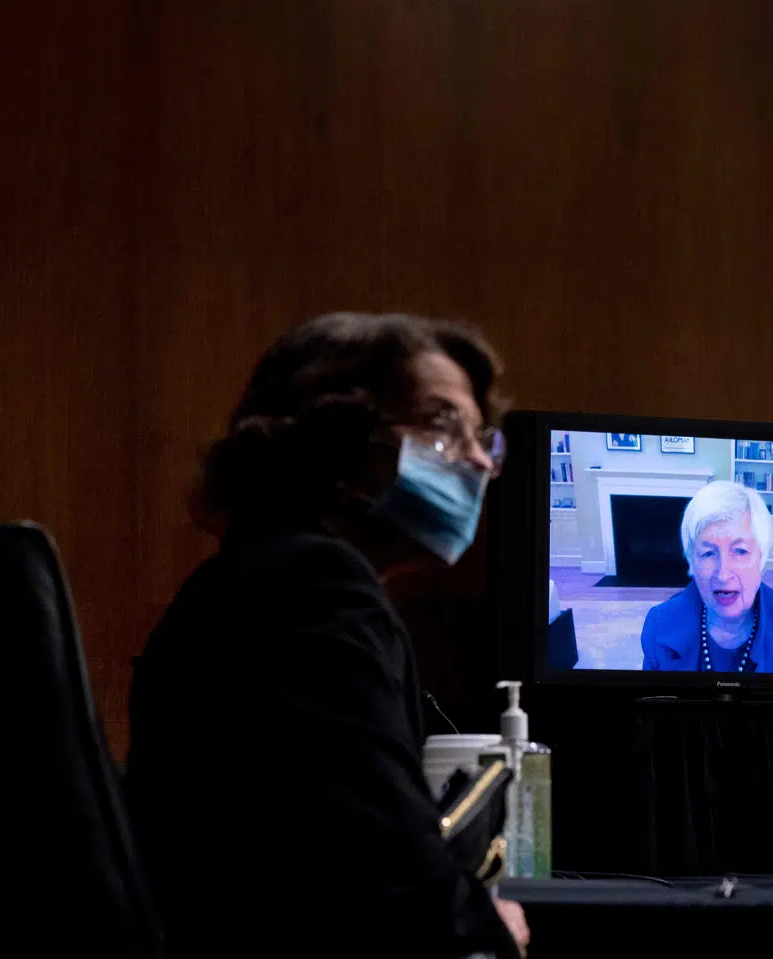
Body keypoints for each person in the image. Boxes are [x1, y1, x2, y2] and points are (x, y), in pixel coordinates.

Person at [124, 313, 529, 957]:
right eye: (442, 425)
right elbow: (395, 883)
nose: (479, 461)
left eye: (484, 439)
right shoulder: (315, 589)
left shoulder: (249, 576)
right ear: (334, 438)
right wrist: (486, 922)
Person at [640, 480, 773, 673]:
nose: (723, 574)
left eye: (740, 551)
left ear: (761, 556)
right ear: (692, 561)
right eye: (708, 553)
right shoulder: (660, 625)